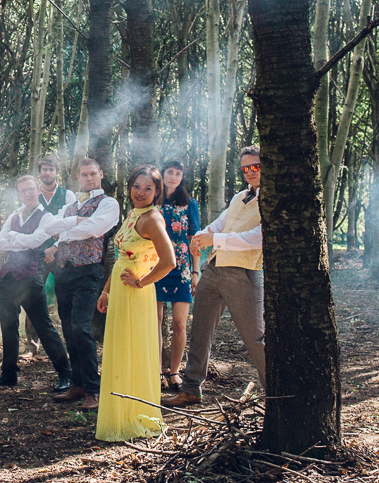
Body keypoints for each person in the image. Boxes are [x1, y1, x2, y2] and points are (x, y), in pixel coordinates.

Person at [163, 146, 265, 408]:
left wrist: (214, 238)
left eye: (255, 166)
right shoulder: (240, 196)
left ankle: (276, 393)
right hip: (214, 268)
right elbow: (219, 223)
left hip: (244, 273)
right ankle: (190, 389)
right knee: (200, 330)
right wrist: (200, 238)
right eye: (245, 168)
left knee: (255, 337)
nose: (250, 172)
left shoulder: (271, 198)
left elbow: (259, 237)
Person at [95, 165, 176, 441]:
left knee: (132, 350)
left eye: (148, 188)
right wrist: (106, 290)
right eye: (136, 186)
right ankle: (120, 410)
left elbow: (169, 262)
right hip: (119, 287)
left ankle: (135, 414)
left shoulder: (153, 218)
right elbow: (122, 259)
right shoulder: (133, 213)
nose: (140, 192)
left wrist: (142, 282)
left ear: (157, 192)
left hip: (136, 293)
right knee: (119, 349)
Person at [43, 158, 120, 408]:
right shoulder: (72, 205)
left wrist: (67, 230)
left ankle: (92, 389)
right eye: (84, 175)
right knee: (68, 328)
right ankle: (76, 384)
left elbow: (95, 229)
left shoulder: (108, 203)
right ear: (78, 177)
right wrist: (74, 224)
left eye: (92, 174)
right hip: (63, 271)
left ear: (101, 174)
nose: (88, 178)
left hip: (88, 271)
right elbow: (49, 227)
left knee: (81, 328)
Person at [0, 176, 72, 391]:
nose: (26, 194)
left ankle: (66, 374)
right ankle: (8, 374)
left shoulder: (47, 217)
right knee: (8, 327)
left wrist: (13, 239)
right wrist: (20, 241)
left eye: (29, 189)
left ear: (38, 190)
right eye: (22, 191)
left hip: (30, 279)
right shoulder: (13, 216)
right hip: (7, 280)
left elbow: (36, 240)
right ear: (18, 193)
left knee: (44, 327)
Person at [154, 160, 200, 391]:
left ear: (182, 177)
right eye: (169, 172)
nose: (173, 177)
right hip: (155, 266)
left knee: (180, 324)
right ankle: (156, 371)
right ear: (162, 174)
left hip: (181, 269)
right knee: (156, 322)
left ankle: (174, 372)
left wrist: (196, 271)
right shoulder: (152, 200)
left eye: (178, 173)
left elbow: (194, 239)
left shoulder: (189, 204)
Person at [24, 156, 77, 357]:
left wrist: (54, 247)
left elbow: (72, 224)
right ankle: (31, 346)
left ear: (57, 172)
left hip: (62, 252)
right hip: (36, 253)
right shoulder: (33, 195)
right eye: (44, 169)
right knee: (32, 297)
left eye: (51, 169)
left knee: (66, 298)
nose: (47, 173)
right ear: (39, 173)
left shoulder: (68, 195)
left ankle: (71, 345)